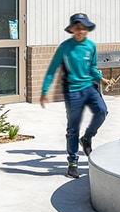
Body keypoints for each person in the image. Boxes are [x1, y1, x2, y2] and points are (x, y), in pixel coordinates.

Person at [40, 13, 108, 179]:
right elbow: (51, 70)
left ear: (87, 30)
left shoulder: (91, 46)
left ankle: (87, 138)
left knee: (102, 111)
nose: (80, 31)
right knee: (73, 126)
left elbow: (92, 68)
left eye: (83, 28)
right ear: (72, 30)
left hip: (89, 88)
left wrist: (101, 79)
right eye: (77, 28)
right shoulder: (64, 47)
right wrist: (44, 92)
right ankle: (73, 162)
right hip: (72, 91)